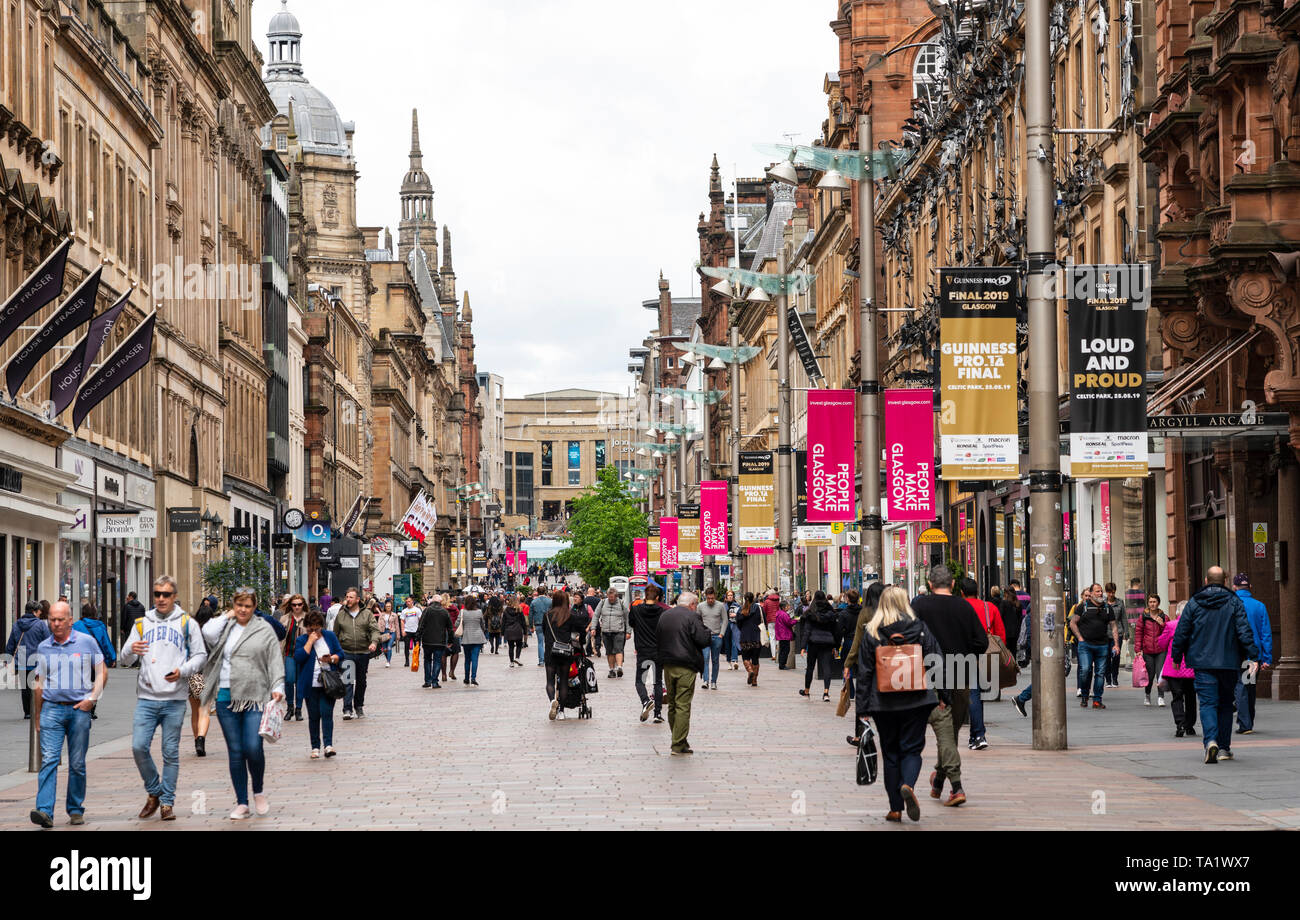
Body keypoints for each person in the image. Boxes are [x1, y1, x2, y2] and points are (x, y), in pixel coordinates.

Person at [118, 576, 207, 821]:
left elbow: (201, 656)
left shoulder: (187, 623)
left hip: (174, 700)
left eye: (166, 594)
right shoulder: (141, 623)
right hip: (146, 698)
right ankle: (154, 791)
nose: (160, 598)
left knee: (170, 752)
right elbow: (124, 659)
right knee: (138, 747)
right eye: (157, 593)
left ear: (174, 596)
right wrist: (130, 651)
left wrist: (183, 671)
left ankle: (167, 802)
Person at [854, 586, 944, 822]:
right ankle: (908, 785)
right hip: (917, 700)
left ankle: (895, 808)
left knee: (891, 753)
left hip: (883, 702)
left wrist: (862, 710)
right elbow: (937, 661)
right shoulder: (920, 628)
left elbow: (863, 673)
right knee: (912, 749)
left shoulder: (872, 632)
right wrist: (943, 695)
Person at [200, 588, 285, 818]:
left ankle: (258, 790)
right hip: (227, 694)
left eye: (248, 606)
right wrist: (226, 616)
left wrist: (277, 687)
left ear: (254, 607)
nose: (243, 610)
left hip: (254, 695)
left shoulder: (263, 629)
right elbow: (207, 632)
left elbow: (275, 660)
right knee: (235, 751)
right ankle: (242, 802)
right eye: (239, 605)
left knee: (252, 747)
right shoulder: (226, 627)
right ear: (233, 606)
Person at [911, 565, 987, 808]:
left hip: (929, 676)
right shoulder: (964, 606)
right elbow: (982, 642)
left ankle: (949, 784)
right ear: (953, 585)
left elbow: (911, 638)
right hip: (961, 674)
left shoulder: (920, 606)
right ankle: (940, 781)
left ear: (930, 584)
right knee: (950, 732)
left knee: (946, 736)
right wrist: (965, 652)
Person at [29, 601, 107, 827]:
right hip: (52, 709)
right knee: (50, 760)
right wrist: (37, 716)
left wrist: (91, 699)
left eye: (60, 619)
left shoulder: (86, 642)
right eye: (52, 619)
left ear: (70, 620)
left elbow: (102, 671)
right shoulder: (44, 647)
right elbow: (39, 683)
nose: (55, 624)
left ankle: (75, 808)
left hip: (79, 710)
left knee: (77, 763)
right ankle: (44, 811)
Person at [1170, 567, 1259, 764]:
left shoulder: (1194, 603)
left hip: (1202, 663)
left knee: (1208, 703)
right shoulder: (1235, 602)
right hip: (1229, 662)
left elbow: (1182, 631)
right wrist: (1253, 655)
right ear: (1225, 581)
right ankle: (1225, 748)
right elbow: (1244, 631)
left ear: (1205, 580)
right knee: (1226, 705)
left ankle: (1210, 741)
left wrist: (1177, 656)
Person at [657, 592, 711, 755]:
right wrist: (707, 631)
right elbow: (703, 640)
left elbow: (658, 638)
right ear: (692, 604)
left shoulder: (665, 616)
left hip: (668, 664)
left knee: (673, 704)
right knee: (683, 704)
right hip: (686, 664)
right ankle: (678, 743)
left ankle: (679, 738)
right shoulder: (692, 617)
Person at [961, 576, 1004, 751]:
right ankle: (976, 735)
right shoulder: (990, 607)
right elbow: (1001, 634)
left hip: (966, 655)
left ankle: (978, 735)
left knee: (973, 695)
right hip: (989, 655)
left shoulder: (960, 607)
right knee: (979, 695)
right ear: (977, 591)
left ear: (962, 592)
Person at [295, 609, 343, 759]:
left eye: (317, 627)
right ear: (306, 626)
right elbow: (299, 657)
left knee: (326, 713)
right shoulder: (302, 640)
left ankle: (328, 745)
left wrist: (332, 658)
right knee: (314, 716)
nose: (314, 630)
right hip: (310, 684)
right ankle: (315, 747)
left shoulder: (330, 636)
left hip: (328, 683)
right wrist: (310, 641)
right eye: (311, 627)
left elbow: (341, 653)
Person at [842, 583, 885, 745]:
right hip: (887, 661)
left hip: (866, 662)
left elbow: (857, 641)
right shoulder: (889, 613)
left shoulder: (865, 613)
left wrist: (848, 663)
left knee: (863, 698)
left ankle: (860, 735)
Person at [1231, 573, 1272, 735]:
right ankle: (1247, 721)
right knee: (1249, 687)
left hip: (1235, 653)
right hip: (1253, 655)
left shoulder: (1231, 604)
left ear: (1234, 587)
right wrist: (1266, 657)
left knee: (1240, 687)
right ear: (1250, 587)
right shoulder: (1259, 606)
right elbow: (1265, 633)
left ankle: (1245, 723)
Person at [542, 590, 591, 720]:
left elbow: (544, 631)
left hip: (551, 652)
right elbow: (581, 630)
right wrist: (581, 642)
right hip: (565, 652)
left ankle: (553, 700)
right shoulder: (570, 616)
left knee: (550, 681)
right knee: (564, 681)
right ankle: (562, 711)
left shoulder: (547, 615)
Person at [1069, 583, 1119, 709]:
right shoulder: (1082, 607)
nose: (1100, 593)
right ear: (1090, 594)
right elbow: (1073, 623)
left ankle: (1097, 700)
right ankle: (1085, 695)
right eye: (1097, 591)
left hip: (1102, 645)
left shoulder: (1107, 608)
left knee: (1100, 673)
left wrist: (1116, 645)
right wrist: (1080, 638)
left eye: (1101, 591)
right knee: (1085, 670)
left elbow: (1113, 627)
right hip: (1085, 645)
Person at [332, 587, 379, 719]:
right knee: (348, 680)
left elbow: (374, 630)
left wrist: (374, 642)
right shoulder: (341, 615)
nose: (348, 599)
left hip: (363, 652)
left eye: (351, 597)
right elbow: (335, 634)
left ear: (358, 599)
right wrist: (335, 650)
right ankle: (347, 709)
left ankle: (358, 706)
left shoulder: (367, 614)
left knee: (361, 681)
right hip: (346, 651)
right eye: (347, 597)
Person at [1156, 601, 1196, 738]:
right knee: (1191, 696)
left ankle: (1180, 724)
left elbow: (1161, 644)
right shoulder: (1195, 626)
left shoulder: (1171, 625)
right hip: (1191, 668)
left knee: (1177, 697)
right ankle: (1190, 725)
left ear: (1178, 613)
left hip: (1174, 668)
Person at [630, 584, 667, 723]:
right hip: (658, 650)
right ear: (657, 597)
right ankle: (657, 714)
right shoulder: (662, 611)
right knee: (657, 682)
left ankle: (645, 701)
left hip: (643, 650)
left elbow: (632, 623)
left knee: (640, 680)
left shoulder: (635, 610)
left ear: (645, 596)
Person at [6, 601, 50, 718]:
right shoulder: (40, 625)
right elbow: (48, 642)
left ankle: (27, 712)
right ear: (34, 611)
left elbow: (11, 643)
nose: (40, 614)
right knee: (38, 686)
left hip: (21, 659)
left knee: (25, 688)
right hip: (36, 660)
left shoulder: (17, 624)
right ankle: (37, 710)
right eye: (39, 611)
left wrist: (7, 658)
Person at [799, 591, 839, 702]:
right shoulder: (830, 613)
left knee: (810, 667)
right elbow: (835, 631)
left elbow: (807, 631)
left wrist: (803, 646)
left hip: (813, 643)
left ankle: (807, 690)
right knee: (827, 667)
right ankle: (826, 692)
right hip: (827, 643)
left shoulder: (811, 613)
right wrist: (836, 646)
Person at [1132, 593, 1169, 707]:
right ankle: (1147, 695)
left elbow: (1169, 632)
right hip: (1147, 650)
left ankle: (1160, 697)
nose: (1152, 604)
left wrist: (1162, 624)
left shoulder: (1164, 617)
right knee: (1149, 674)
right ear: (1148, 603)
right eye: (1150, 602)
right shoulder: (1143, 617)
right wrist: (1138, 649)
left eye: (1154, 602)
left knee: (1160, 674)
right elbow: (1138, 633)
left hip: (1161, 650)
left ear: (1158, 603)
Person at [278, 595, 307, 720]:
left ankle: (299, 709)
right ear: (290, 605)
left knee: (300, 682)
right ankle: (290, 707)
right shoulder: (284, 618)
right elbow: (279, 635)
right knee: (289, 681)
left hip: (302, 654)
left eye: (299, 604)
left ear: (303, 605)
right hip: (289, 653)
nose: (297, 607)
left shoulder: (308, 618)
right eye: (294, 604)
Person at [594, 585, 631, 679]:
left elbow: (628, 618)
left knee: (618, 649)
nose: (611, 600)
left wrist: (629, 631)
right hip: (606, 631)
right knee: (609, 652)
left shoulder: (622, 603)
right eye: (609, 598)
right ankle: (611, 670)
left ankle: (619, 668)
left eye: (612, 598)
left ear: (616, 596)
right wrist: (593, 628)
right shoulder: (602, 602)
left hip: (619, 631)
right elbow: (596, 615)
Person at [417, 595, 454, 687]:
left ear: (432, 601)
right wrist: (450, 640)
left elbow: (421, 625)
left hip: (427, 640)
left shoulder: (427, 610)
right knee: (437, 661)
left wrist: (417, 638)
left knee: (427, 660)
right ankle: (434, 682)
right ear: (440, 602)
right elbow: (450, 628)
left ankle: (427, 681)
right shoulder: (444, 612)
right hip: (440, 641)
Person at [694, 586, 727, 690]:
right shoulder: (700, 606)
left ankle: (713, 681)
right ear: (705, 597)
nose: (710, 600)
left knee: (715, 660)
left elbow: (725, 620)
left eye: (712, 598)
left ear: (715, 597)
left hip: (717, 636)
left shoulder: (720, 606)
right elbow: (697, 621)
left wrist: (721, 634)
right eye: (708, 598)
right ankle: (705, 680)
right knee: (705, 658)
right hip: (705, 636)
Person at [736, 593, 766, 686]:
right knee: (755, 659)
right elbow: (763, 619)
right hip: (756, 636)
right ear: (753, 599)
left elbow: (738, 623)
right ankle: (754, 680)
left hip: (745, 636)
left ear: (745, 599)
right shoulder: (758, 608)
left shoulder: (741, 609)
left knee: (745, 657)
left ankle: (750, 670)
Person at [458, 595, 487, 686]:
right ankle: (473, 678)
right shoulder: (479, 612)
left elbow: (457, 623)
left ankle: (466, 678)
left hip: (466, 637)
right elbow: (482, 624)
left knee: (467, 659)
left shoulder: (462, 612)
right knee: (475, 659)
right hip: (478, 637)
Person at [1103, 582, 1126, 687]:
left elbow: (1123, 618)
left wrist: (1127, 631)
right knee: (1106, 656)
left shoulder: (1120, 602)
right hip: (1105, 633)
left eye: (1112, 592)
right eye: (1108, 592)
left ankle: (1115, 678)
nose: (1110, 594)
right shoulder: (1102, 603)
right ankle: (1108, 680)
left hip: (1118, 632)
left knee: (1116, 656)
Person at [502, 595, 528, 666]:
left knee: (511, 647)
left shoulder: (506, 610)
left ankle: (511, 662)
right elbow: (523, 621)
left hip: (509, 630)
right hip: (518, 629)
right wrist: (525, 631)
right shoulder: (519, 609)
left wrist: (502, 632)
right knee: (519, 645)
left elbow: (503, 622)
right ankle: (517, 657)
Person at [529, 587, 552, 667]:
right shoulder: (550, 601)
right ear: (545, 592)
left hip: (538, 624)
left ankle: (541, 660)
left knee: (540, 643)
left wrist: (531, 626)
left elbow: (530, 615)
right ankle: (548, 659)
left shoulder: (534, 602)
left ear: (537, 592)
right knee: (548, 642)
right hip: (549, 624)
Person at [773, 599, 797, 671]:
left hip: (781, 634)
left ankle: (781, 664)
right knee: (786, 650)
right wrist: (796, 620)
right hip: (785, 634)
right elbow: (789, 623)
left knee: (782, 650)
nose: (788, 607)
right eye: (787, 606)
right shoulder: (784, 614)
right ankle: (783, 664)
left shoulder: (779, 613)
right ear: (783, 607)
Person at [376, 598, 400, 667]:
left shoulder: (394, 615)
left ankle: (388, 661)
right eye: (387, 606)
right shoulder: (382, 615)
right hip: (383, 632)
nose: (388, 607)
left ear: (391, 607)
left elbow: (397, 625)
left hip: (391, 632)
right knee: (384, 649)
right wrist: (378, 633)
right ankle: (387, 659)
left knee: (389, 646)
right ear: (385, 607)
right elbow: (379, 624)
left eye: (389, 606)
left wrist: (398, 635)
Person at [400, 596, 421, 666]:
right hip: (407, 630)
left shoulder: (417, 610)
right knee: (406, 647)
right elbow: (402, 621)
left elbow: (420, 619)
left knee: (417, 647)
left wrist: (420, 630)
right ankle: (407, 661)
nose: (408, 603)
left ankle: (416, 660)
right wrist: (403, 631)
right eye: (406, 602)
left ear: (412, 601)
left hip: (416, 631)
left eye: (409, 601)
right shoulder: (404, 611)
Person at [724, 589, 741, 670]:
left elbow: (741, 615)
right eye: (729, 596)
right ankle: (729, 662)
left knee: (735, 643)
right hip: (726, 626)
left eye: (731, 595)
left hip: (735, 626)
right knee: (727, 644)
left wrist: (736, 615)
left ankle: (735, 661)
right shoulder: (723, 606)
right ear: (726, 597)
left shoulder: (737, 605)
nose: (730, 597)